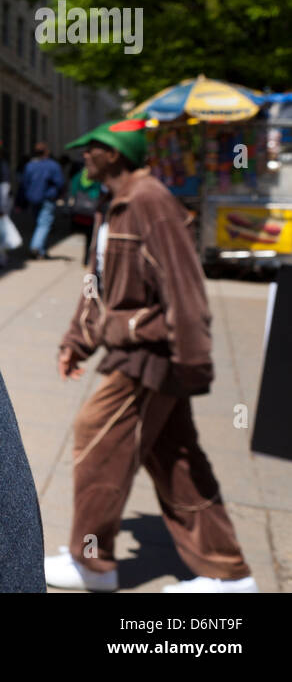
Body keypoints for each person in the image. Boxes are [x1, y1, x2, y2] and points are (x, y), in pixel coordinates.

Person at [44, 119, 256, 593]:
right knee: (177, 460)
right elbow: (95, 284)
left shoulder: (150, 201)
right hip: (134, 348)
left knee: (97, 439)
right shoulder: (113, 204)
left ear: (116, 154)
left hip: (149, 353)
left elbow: (184, 287)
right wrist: (74, 342)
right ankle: (229, 575)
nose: (84, 156)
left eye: (92, 149)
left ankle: (92, 564)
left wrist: (193, 361)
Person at [19, 141, 64, 259]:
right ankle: (37, 247)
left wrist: (21, 201)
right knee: (43, 224)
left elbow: (23, 184)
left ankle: (40, 249)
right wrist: (59, 194)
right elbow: (60, 183)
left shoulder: (30, 165)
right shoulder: (52, 165)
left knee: (39, 223)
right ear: (47, 152)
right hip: (47, 199)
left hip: (33, 199)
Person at [67, 166, 103, 265]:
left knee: (84, 232)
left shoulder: (78, 177)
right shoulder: (98, 178)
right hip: (93, 209)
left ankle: (87, 258)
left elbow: (72, 191)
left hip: (80, 208)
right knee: (91, 236)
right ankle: (87, 258)